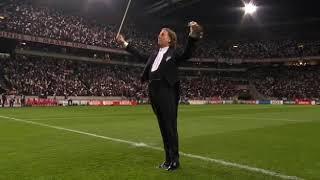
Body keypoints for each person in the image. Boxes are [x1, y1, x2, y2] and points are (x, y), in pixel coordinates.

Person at [116, 21, 203, 171]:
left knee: (170, 127)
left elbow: (187, 54)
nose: (159, 35)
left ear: (169, 39)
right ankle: (167, 160)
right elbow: (139, 55)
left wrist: (193, 35)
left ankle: (175, 161)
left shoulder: (173, 53)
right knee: (163, 127)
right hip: (153, 90)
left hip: (166, 90)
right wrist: (124, 43)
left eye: (162, 34)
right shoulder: (154, 54)